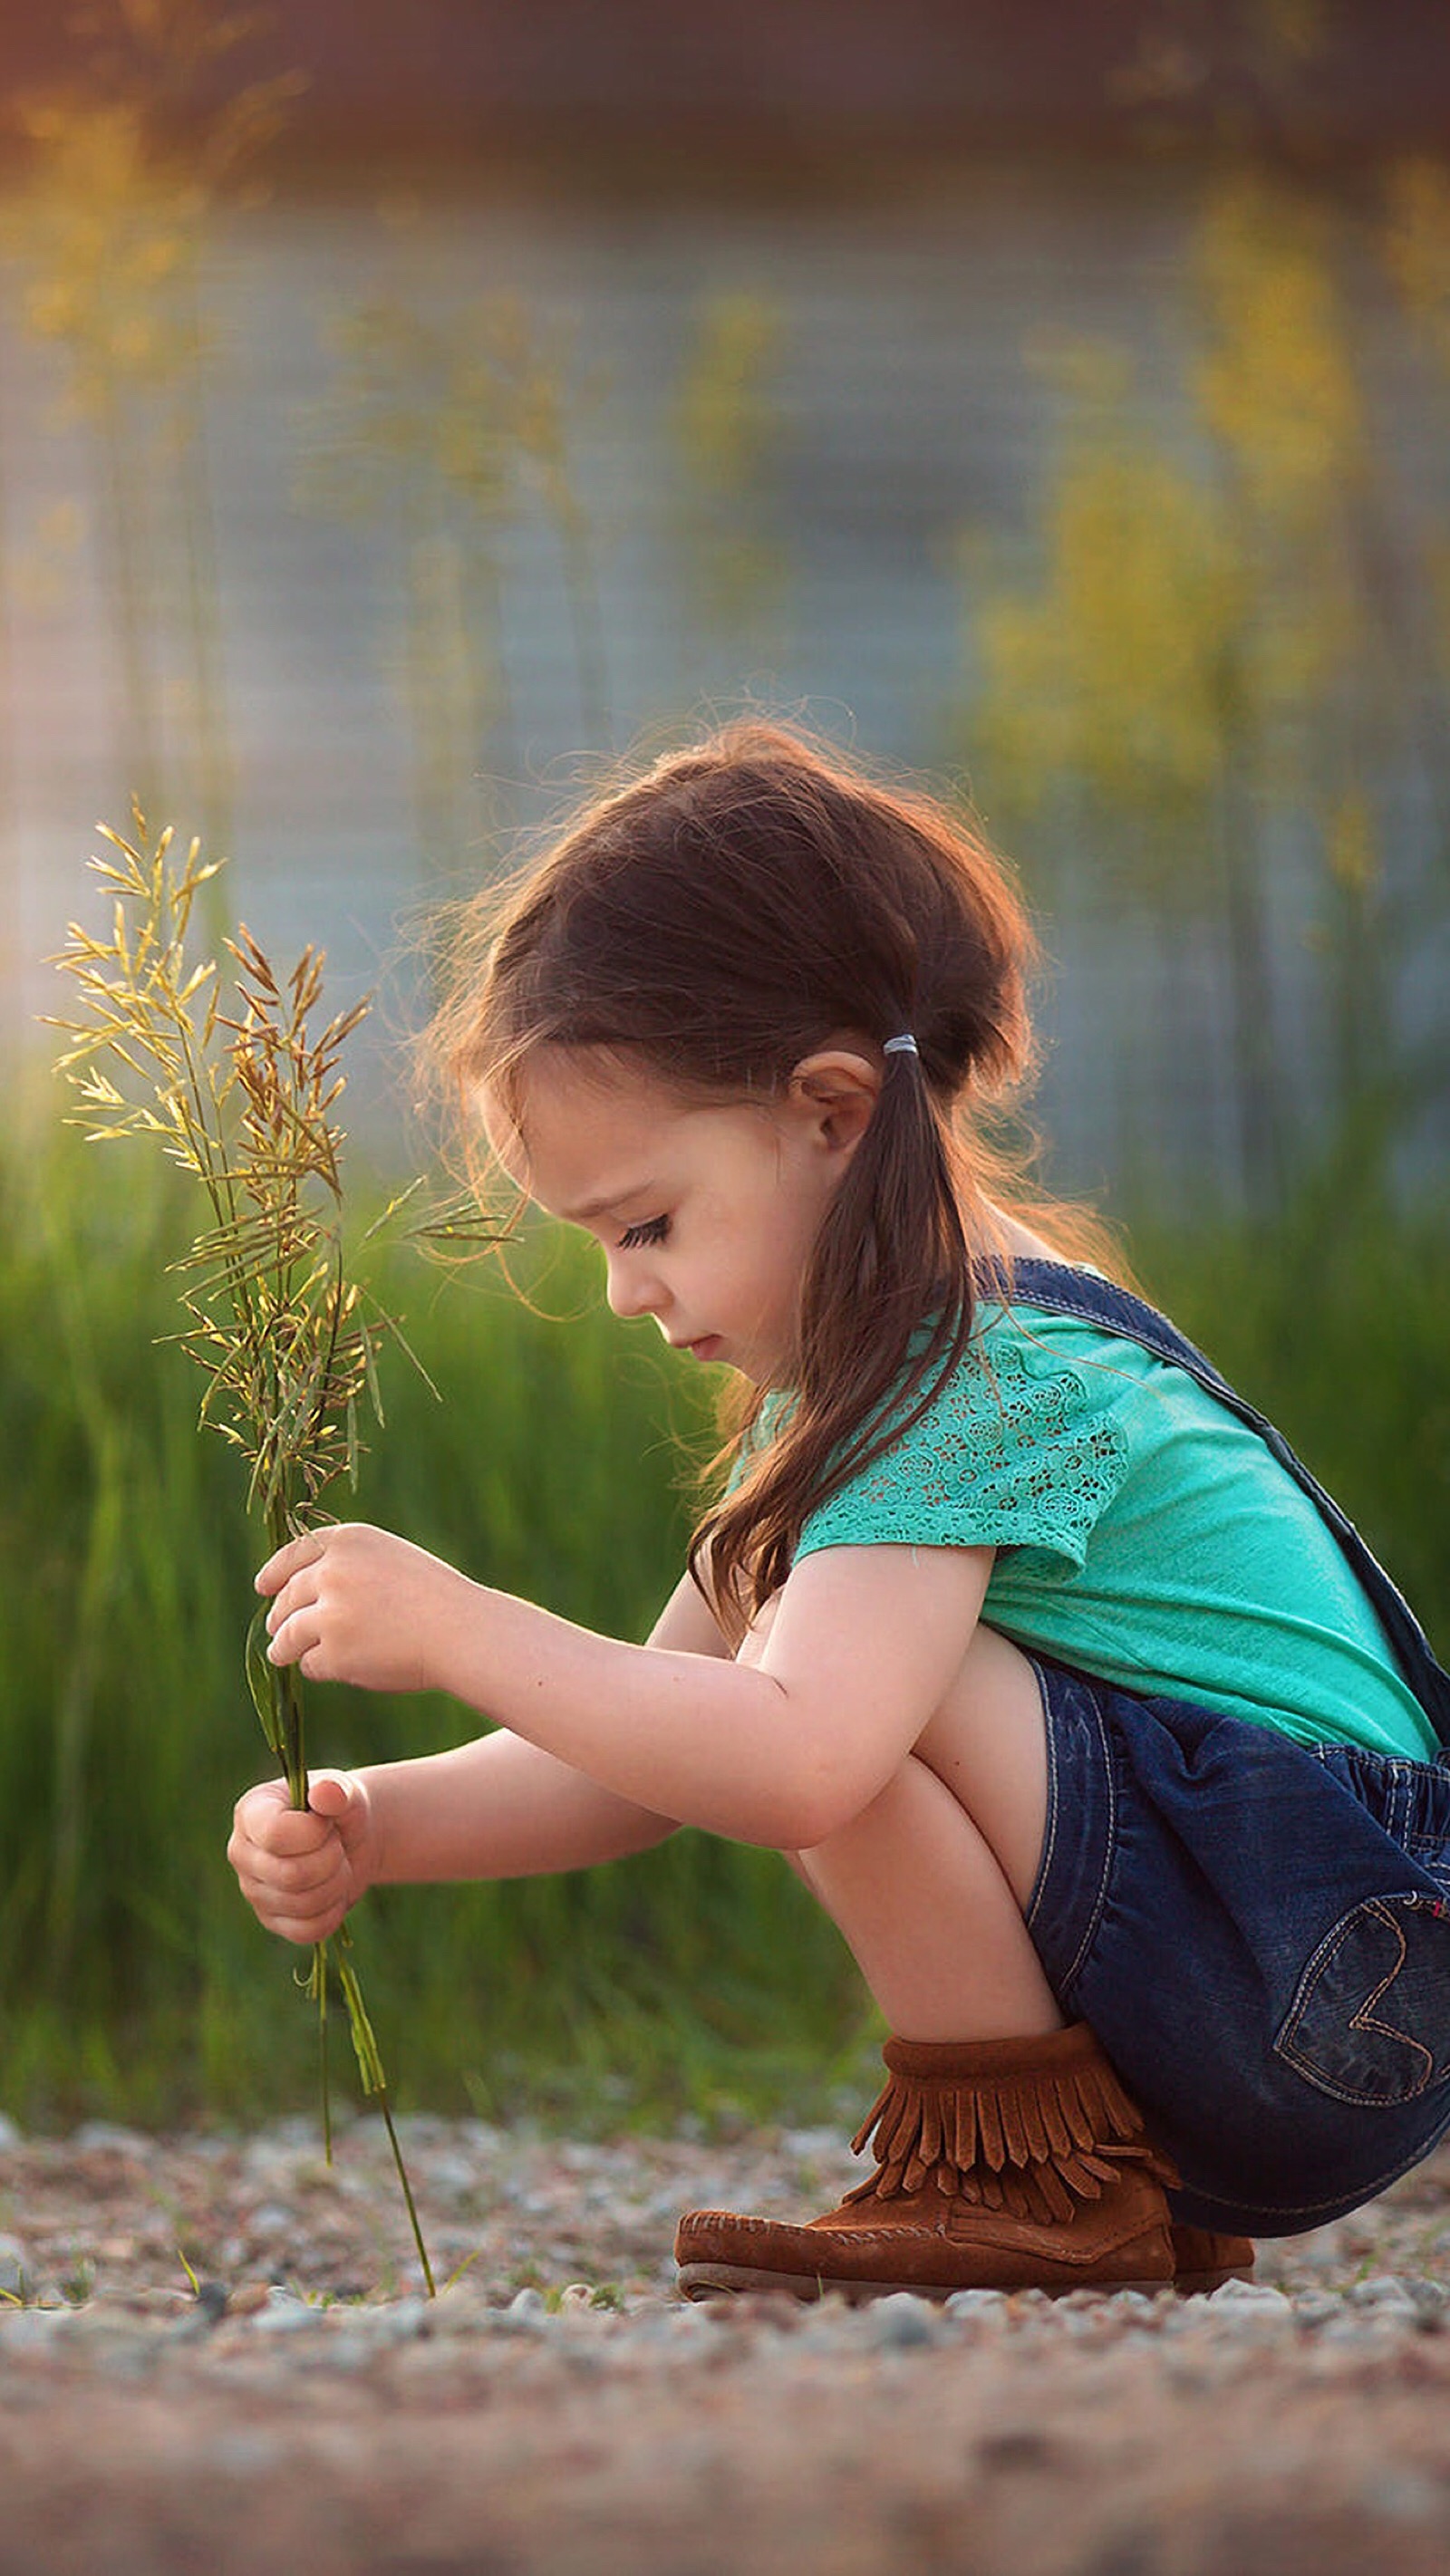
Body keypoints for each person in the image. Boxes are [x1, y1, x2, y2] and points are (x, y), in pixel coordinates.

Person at [227, 719, 1450, 2304]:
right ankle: (1105, 2198)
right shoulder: (891, 1385)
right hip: (1306, 1977)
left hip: (1313, 1947)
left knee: (831, 1697)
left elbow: (797, 1761)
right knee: (785, 1671)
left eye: (647, 1223)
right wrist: (384, 1822)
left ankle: (1016, 2185)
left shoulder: (971, 1376)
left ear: (830, 1116)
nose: (622, 1291)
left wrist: (468, 1627)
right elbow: (641, 1756)